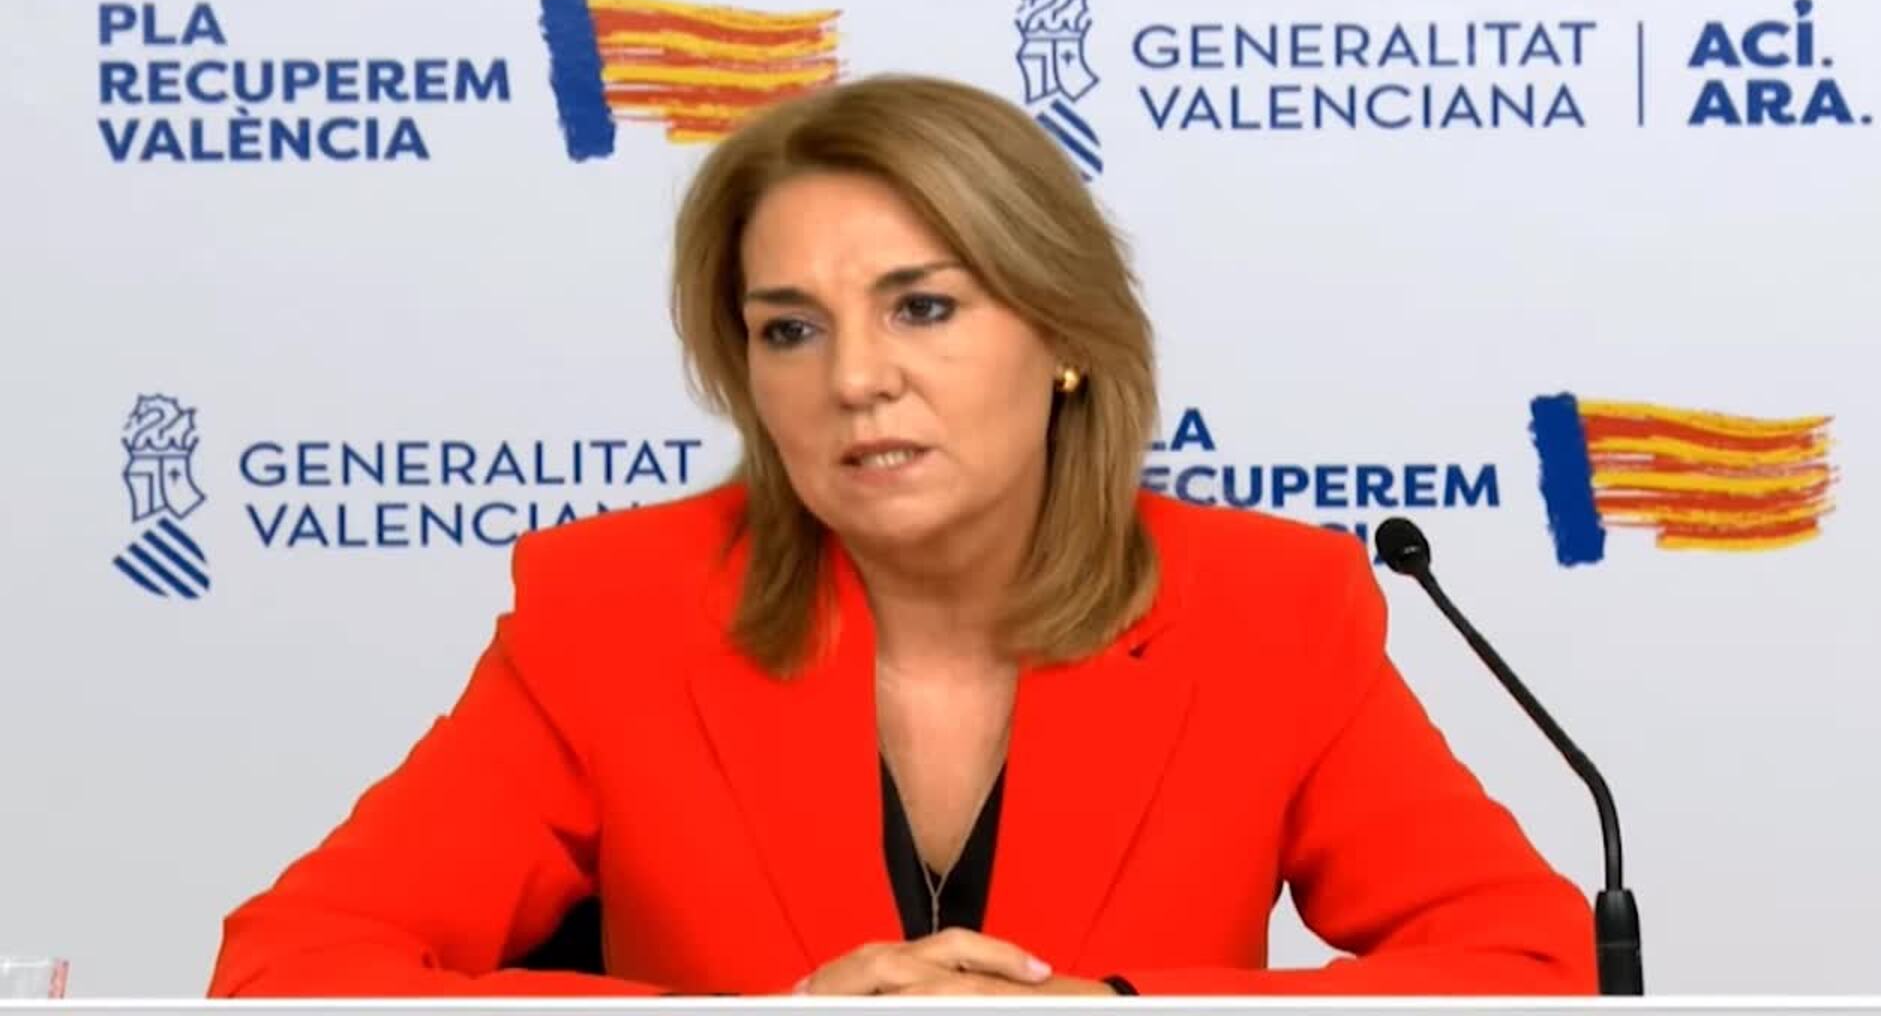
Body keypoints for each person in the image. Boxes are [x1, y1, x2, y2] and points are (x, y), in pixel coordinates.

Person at [208, 74, 1595, 997]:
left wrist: (1118, 1012)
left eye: (922, 307)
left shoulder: (1265, 606)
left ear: (1062, 334)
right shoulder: (617, 608)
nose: (855, 378)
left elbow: (1531, 966)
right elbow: (289, 971)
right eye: (789, 330)